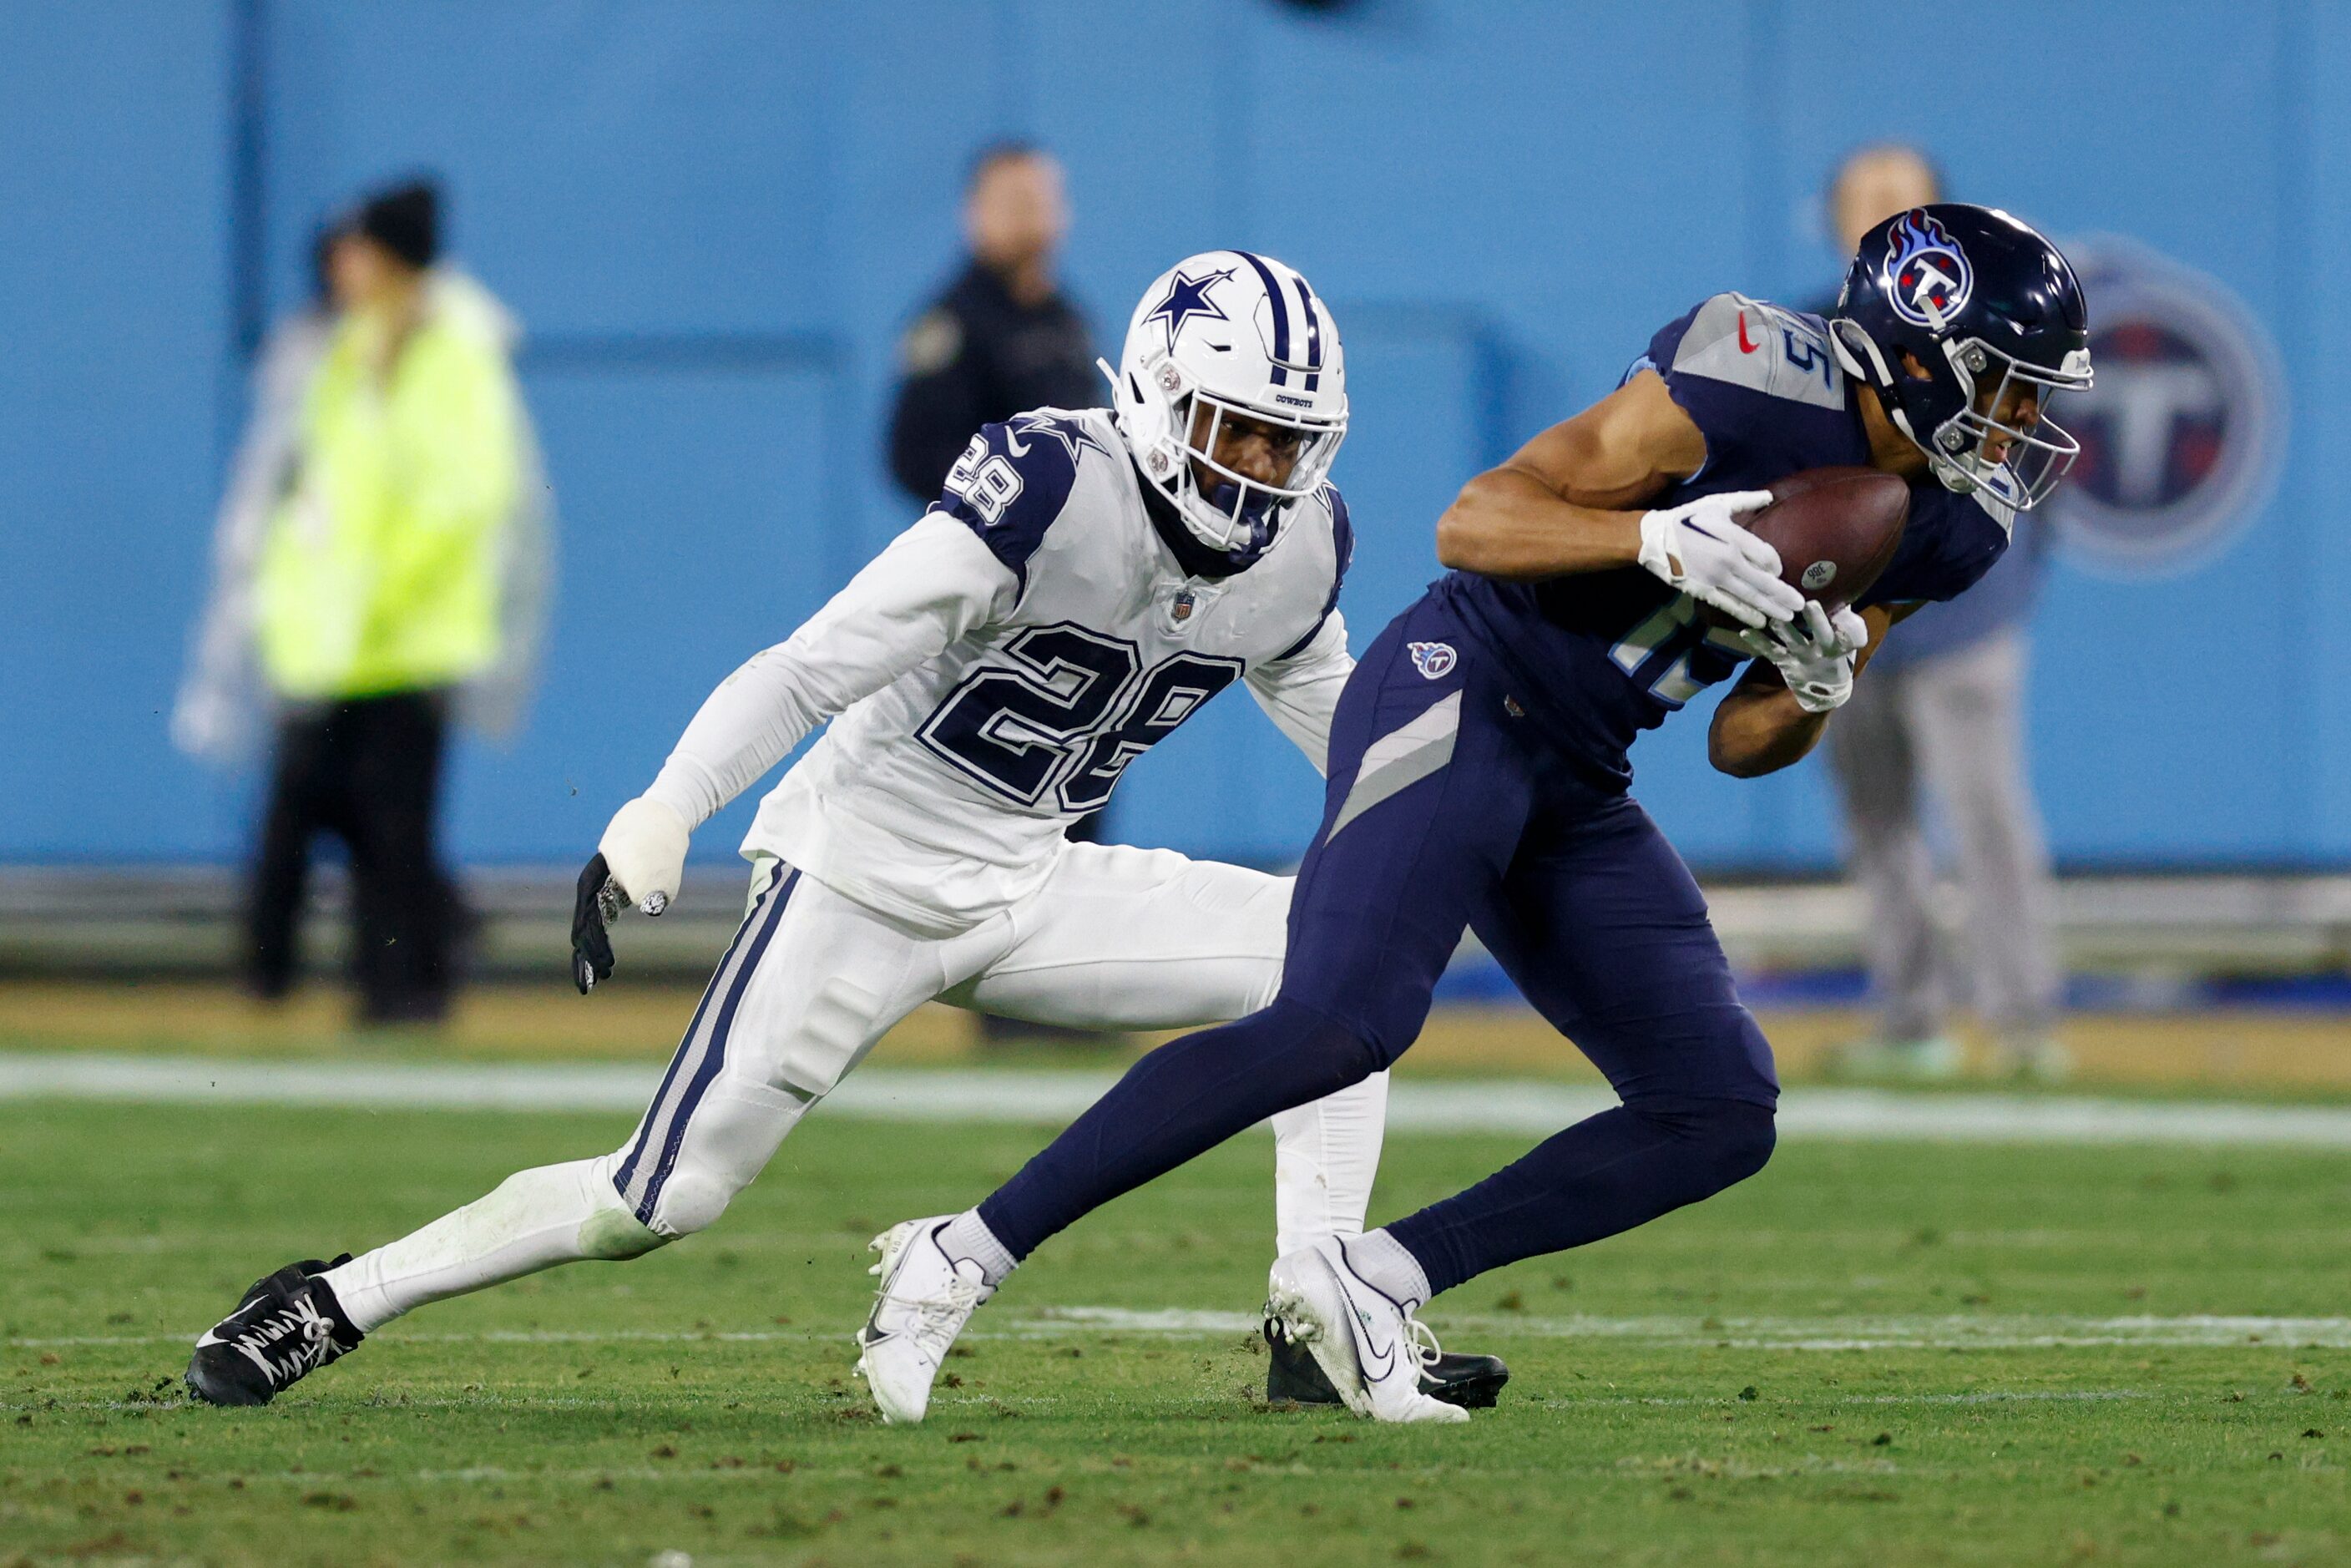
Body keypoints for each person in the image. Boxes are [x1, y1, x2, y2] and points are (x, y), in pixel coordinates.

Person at [183, 251, 1503, 1413]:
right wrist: (665, 810)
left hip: (1031, 878)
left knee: (1336, 975)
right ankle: (337, 1297)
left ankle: (1320, 1310)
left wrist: (1496, 825)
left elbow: (1355, 734)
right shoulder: (1045, 488)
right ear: (1156, 396)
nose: (1262, 469)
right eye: (1238, 429)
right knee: (653, 1201)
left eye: (1288, 440)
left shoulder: (1296, 551)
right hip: (858, 879)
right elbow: (812, 666)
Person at [852, 205, 2094, 1425]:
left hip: (1580, 770)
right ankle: (956, 1253)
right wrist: (1652, 535)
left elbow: (1743, 740)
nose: (2027, 421)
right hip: (1459, 687)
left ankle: (1365, 1282)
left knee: (1717, 1105)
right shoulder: (1748, 380)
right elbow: (1475, 521)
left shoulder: (1952, 524)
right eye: (2012, 384)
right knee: (1340, 1021)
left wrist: (1822, 676)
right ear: (1923, 345)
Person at [1813, 148, 2067, 1081]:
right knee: (1874, 821)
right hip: (1846, 621)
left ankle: (2020, 1018)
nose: (1878, 216)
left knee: (1985, 816)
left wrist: (2005, 576)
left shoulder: (2002, 327)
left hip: (1962, 616)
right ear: (1835, 220)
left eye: (1898, 200)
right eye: (1863, 202)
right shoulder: (1810, 330)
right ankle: (1910, 1014)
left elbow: (2048, 472)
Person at [886, 143, 1098, 505]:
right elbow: (914, 456)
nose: (1029, 216)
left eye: (1040, 200)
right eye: (1013, 202)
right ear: (974, 212)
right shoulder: (951, 325)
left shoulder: (1068, 318)